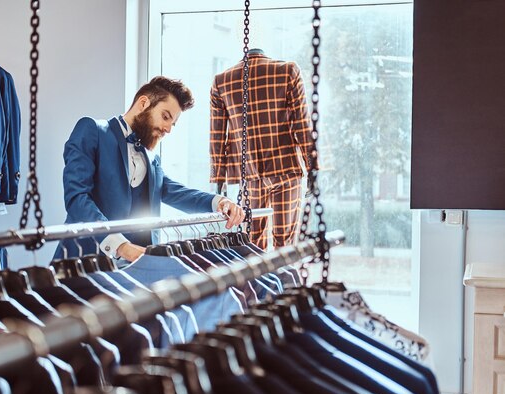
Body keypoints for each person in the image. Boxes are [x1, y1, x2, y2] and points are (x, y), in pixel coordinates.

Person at [54, 76, 245, 262]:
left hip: (131, 271)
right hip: (79, 264)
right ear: (143, 103)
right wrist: (120, 246)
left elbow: (175, 192)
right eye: (165, 116)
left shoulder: (152, 158)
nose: (168, 129)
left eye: (173, 123)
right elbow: (76, 198)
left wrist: (219, 202)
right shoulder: (92, 130)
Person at [209, 48, 319, 250]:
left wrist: (219, 178)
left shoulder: (221, 81)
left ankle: (256, 282)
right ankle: (283, 281)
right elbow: (302, 126)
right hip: (286, 169)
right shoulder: (287, 71)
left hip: (249, 173)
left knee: (252, 245)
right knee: (284, 245)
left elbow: (217, 137)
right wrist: (313, 167)